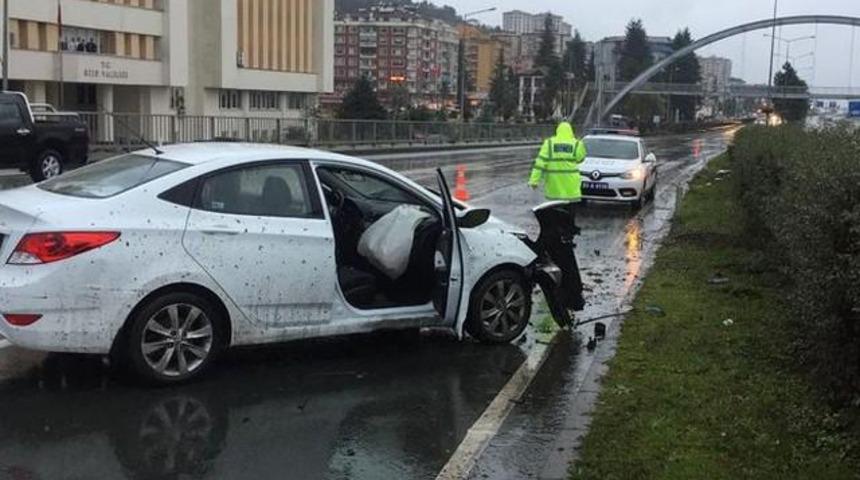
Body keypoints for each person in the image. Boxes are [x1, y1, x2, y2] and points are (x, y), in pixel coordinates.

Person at [528, 121, 588, 315]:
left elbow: (540, 162)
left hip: (554, 193)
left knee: (552, 224)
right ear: (570, 131)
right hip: (570, 192)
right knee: (568, 223)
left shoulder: (550, 143)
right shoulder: (576, 143)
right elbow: (581, 158)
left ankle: (555, 241)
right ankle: (567, 239)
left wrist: (534, 180)